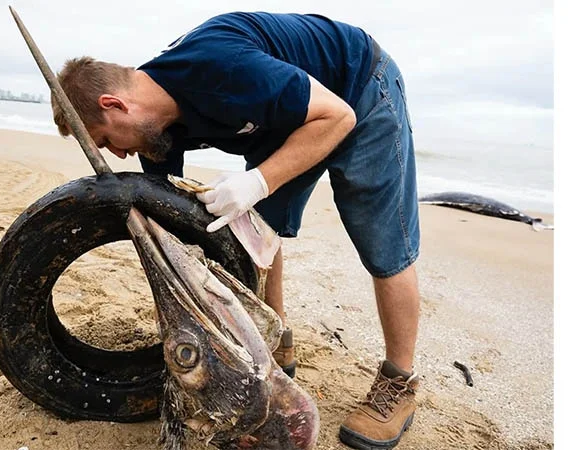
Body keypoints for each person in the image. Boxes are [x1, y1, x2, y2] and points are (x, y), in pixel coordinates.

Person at [50, 11, 421, 449]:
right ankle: (277, 339)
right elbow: (173, 222)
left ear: (115, 105)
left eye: (107, 140)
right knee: (256, 225)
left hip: (358, 89)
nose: (119, 155)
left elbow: (337, 116)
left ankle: (400, 382)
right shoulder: (158, 131)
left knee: (383, 245)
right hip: (287, 115)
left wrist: (257, 182)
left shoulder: (218, 68)